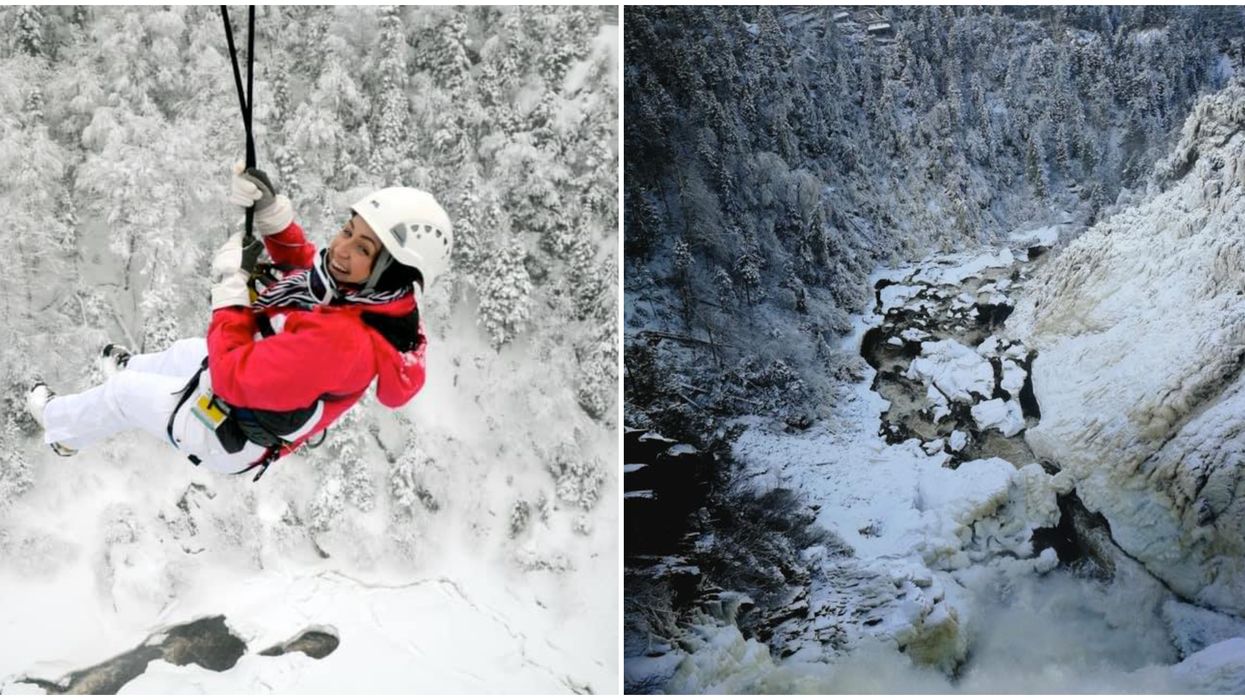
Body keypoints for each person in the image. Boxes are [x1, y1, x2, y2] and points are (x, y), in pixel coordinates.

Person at [25, 164, 453, 479]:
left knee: (124, 395)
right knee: (187, 353)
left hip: (228, 433)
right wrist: (272, 218)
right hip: (244, 393)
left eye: (364, 249)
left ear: (392, 272)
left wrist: (231, 289)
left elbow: (232, 377)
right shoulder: (373, 302)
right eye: (348, 230)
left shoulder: (346, 343)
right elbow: (309, 276)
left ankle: (61, 428)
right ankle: (131, 368)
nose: (341, 249)